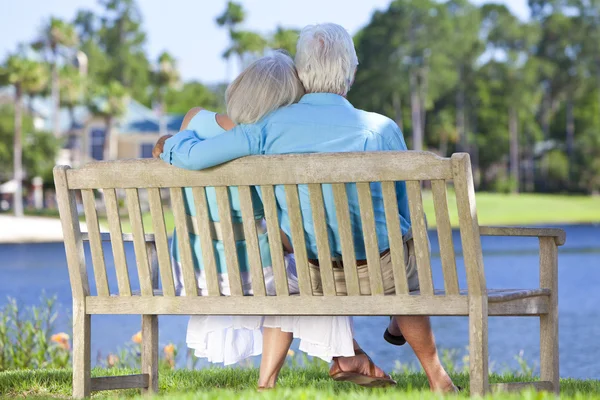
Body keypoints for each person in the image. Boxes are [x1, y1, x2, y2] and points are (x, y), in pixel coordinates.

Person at [157, 23, 457, 393]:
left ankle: (269, 382)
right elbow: (403, 207)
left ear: (301, 73)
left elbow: (197, 156)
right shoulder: (379, 129)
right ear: (351, 72)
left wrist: (169, 144)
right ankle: (436, 375)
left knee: (290, 270)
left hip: (312, 271)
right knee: (406, 244)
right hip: (380, 271)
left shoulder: (267, 127)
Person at [154, 52, 360, 375]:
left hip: (190, 272)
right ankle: (340, 357)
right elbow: (282, 234)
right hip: (249, 276)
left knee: (298, 265)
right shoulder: (267, 143)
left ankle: (348, 357)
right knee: (313, 266)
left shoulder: (193, 120)